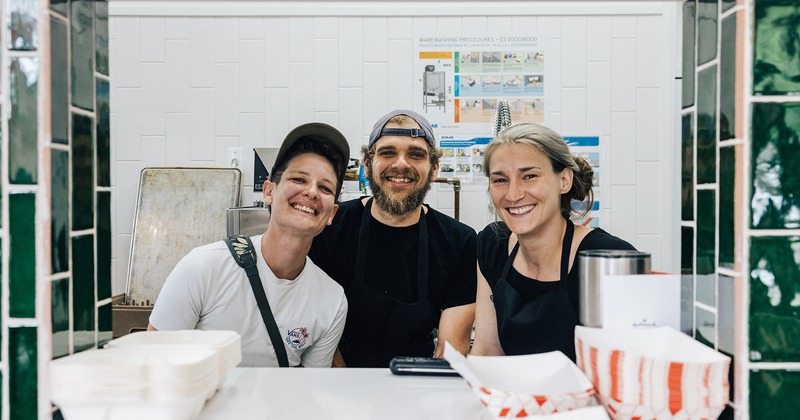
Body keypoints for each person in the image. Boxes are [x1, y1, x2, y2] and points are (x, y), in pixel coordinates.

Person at [149, 123, 350, 367]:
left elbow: (310, 391)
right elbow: (155, 366)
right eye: (299, 178)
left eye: (325, 187)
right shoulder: (202, 267)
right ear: (269, 192)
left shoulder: (332, 301)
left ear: (332, 214)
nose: (311, 192)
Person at [309, 110, 477, 368]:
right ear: (367, 165)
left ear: (433, 169)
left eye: (416, 154)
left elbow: (450, 349)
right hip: (338, 378)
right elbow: (314, 327)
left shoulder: (460, 242)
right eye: (388, 152)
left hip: (417, 377)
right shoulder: (331, 228)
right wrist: (344, 391)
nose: (401, 164)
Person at [470, 122, 635, 361]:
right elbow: (487, 350)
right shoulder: (492, 245)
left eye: (529, 176)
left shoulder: (608, 258)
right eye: (500, 180)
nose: (513, 194)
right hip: (517, 396)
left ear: (564, 181)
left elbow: (627, 368)